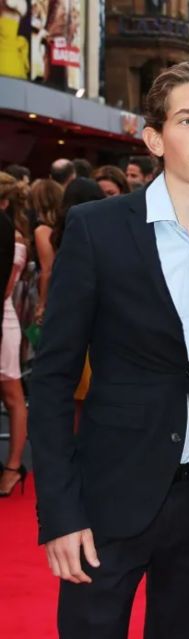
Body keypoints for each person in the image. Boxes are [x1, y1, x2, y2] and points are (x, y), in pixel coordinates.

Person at [30, 60, 189, 638]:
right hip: (107, 500)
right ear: (154, 138)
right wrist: (60, 511)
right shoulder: (98, 229)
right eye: (188, 119)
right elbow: (51, 379)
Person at [0, 172, 27, 496]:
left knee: (12, 394)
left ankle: (13, 467)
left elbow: (6, 287)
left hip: (5, 320)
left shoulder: (14, 237)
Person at [29, 178, 63, 326]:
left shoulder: (42, 230)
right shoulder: (61, 227)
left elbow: (47, 269)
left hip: (44, 290)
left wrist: (42, 304)